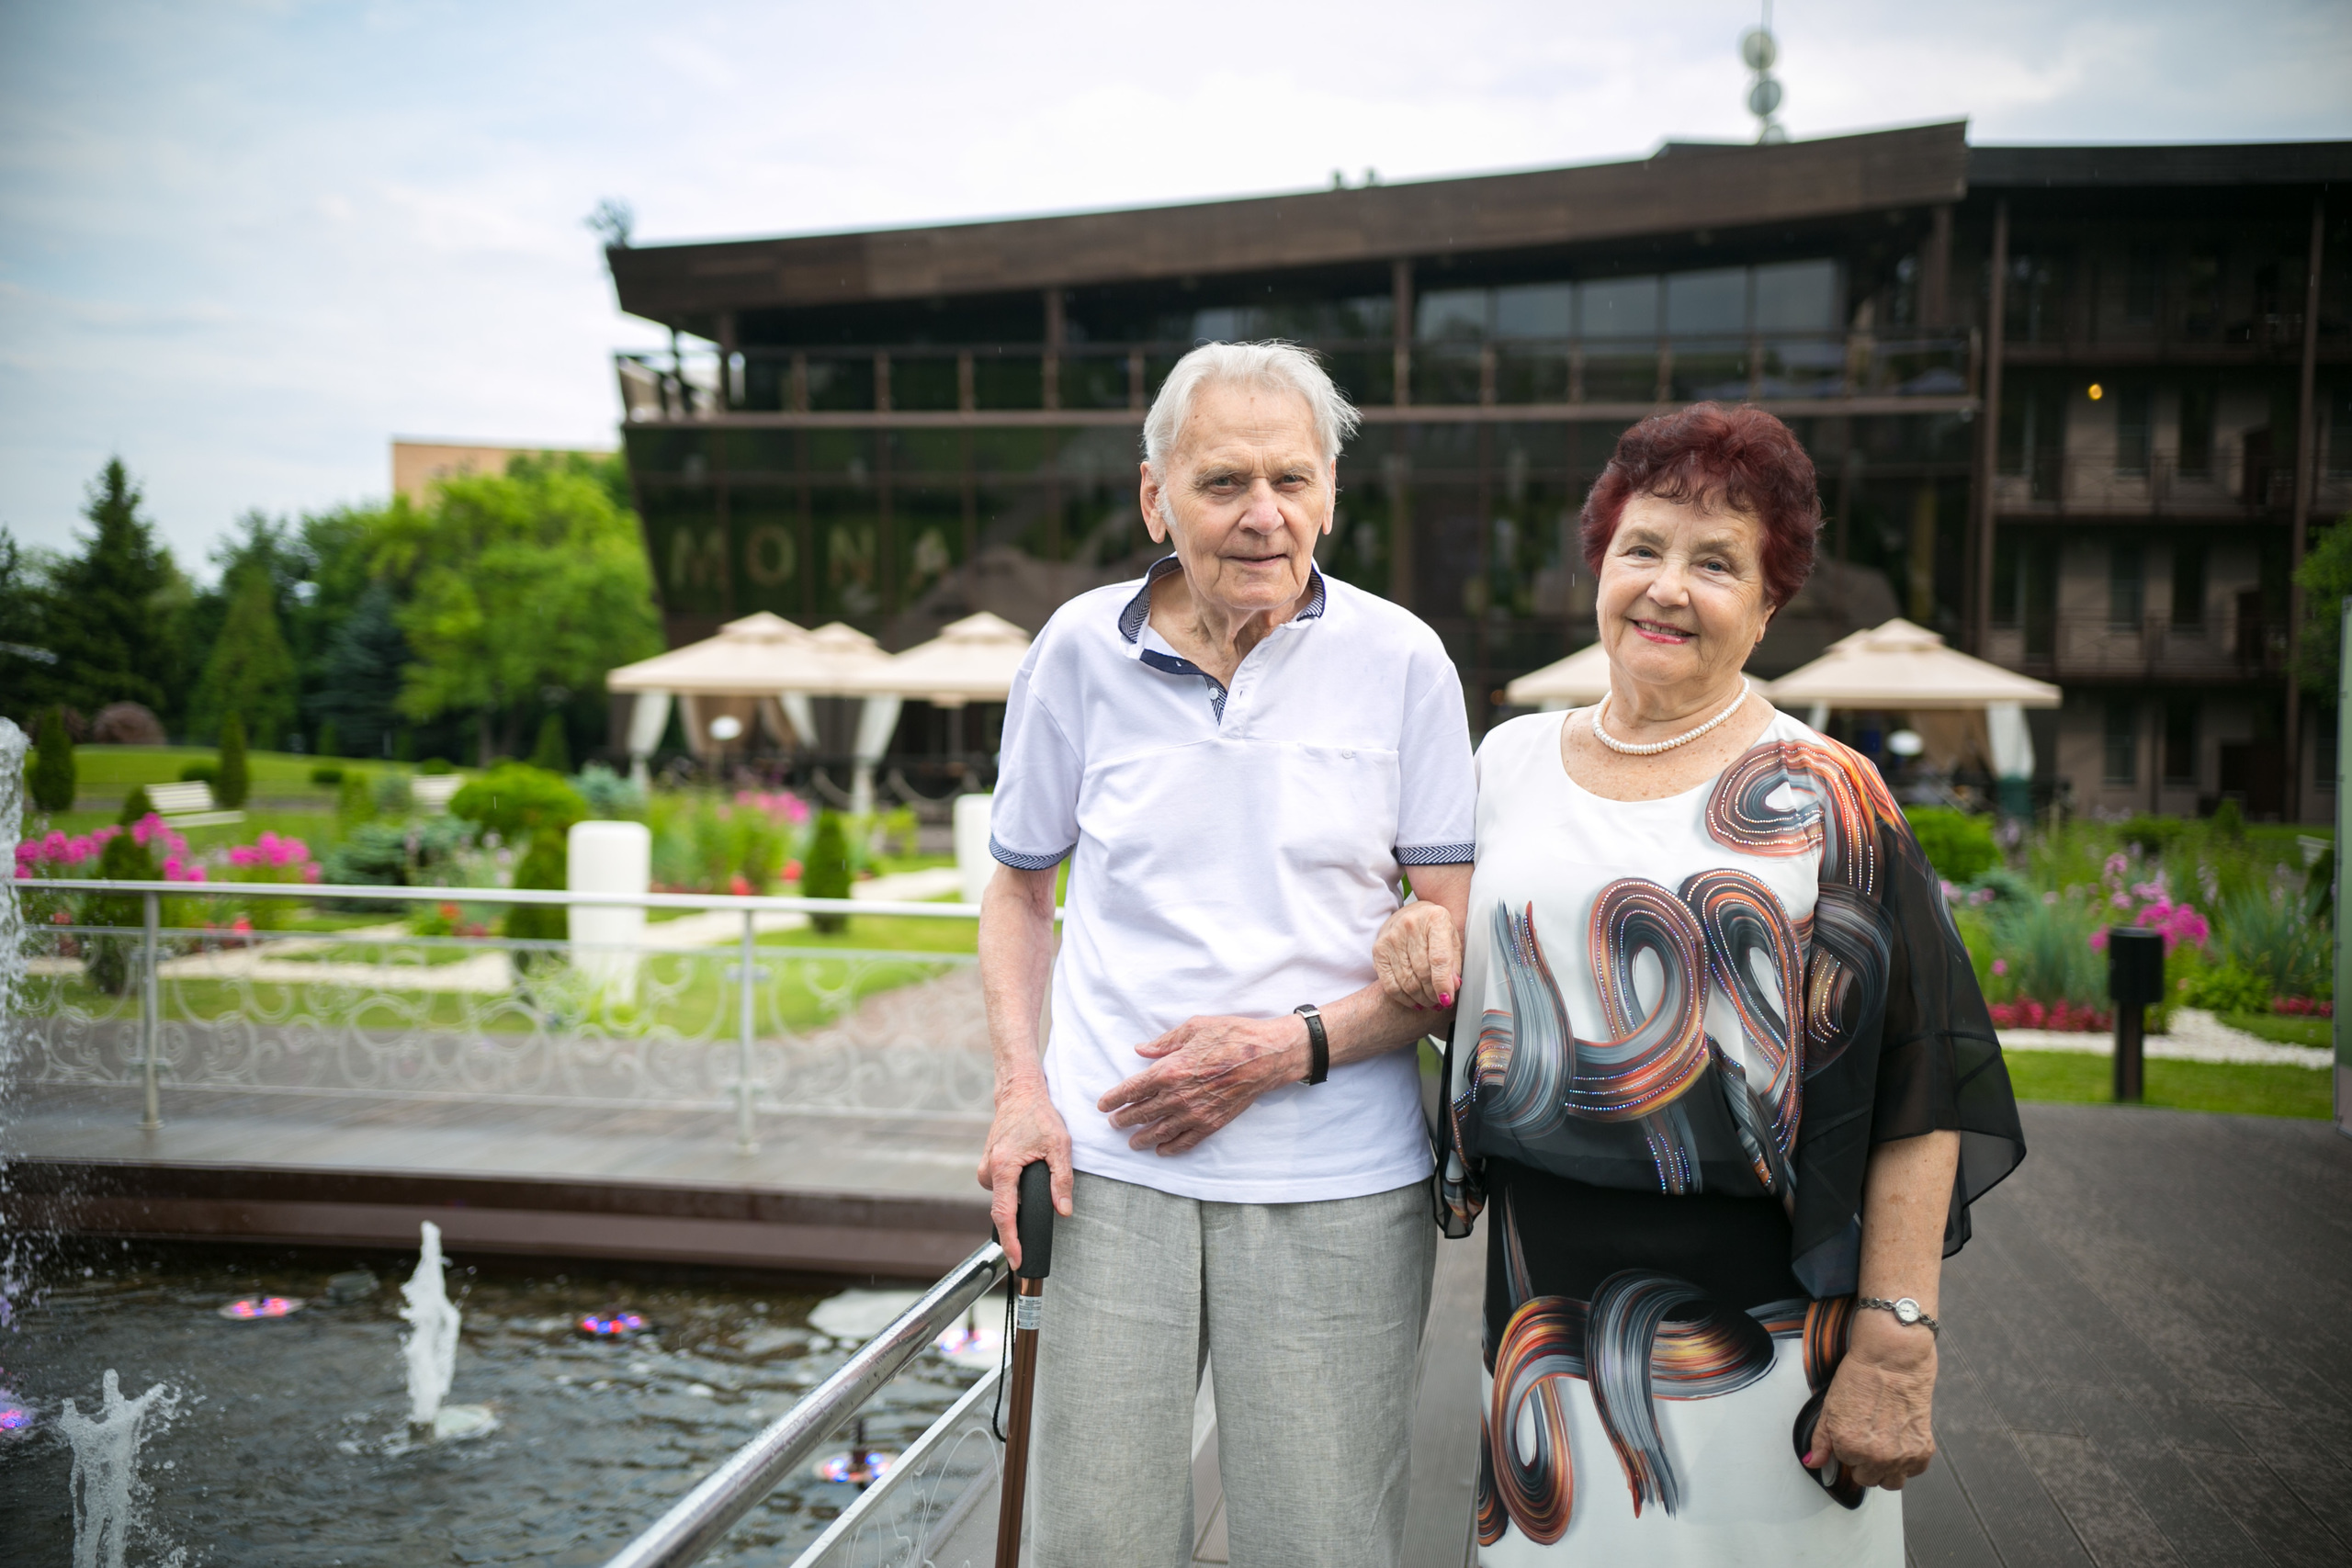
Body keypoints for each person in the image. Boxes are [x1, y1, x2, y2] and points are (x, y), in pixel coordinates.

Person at [1373, 402, 2025, 1563]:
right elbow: (1451, 964)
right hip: (1542, 1319)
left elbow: (1921, 1079)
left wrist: (1896, 1336)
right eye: (1642, 549)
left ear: (1768, 604)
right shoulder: (1505, 762)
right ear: (1600, 567)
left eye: (1714, 562)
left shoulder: (1833, 797)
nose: (1667, 587)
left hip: (1772, 1328)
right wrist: (1412, 942)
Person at [977, 340, 1476, 1568]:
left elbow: (1452, 952)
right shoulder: (1076, 651)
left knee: (1321, 1543)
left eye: (1294, 480)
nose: (1265, 515)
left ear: (1330, 493)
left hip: (1342, 1186)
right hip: (1107, 1172)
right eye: (1224, 482)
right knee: (1092, 1540)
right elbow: (1018, 884)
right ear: (1156, 495)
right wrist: (1017, 1091)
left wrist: (1284, 1048)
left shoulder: (1405, 660)